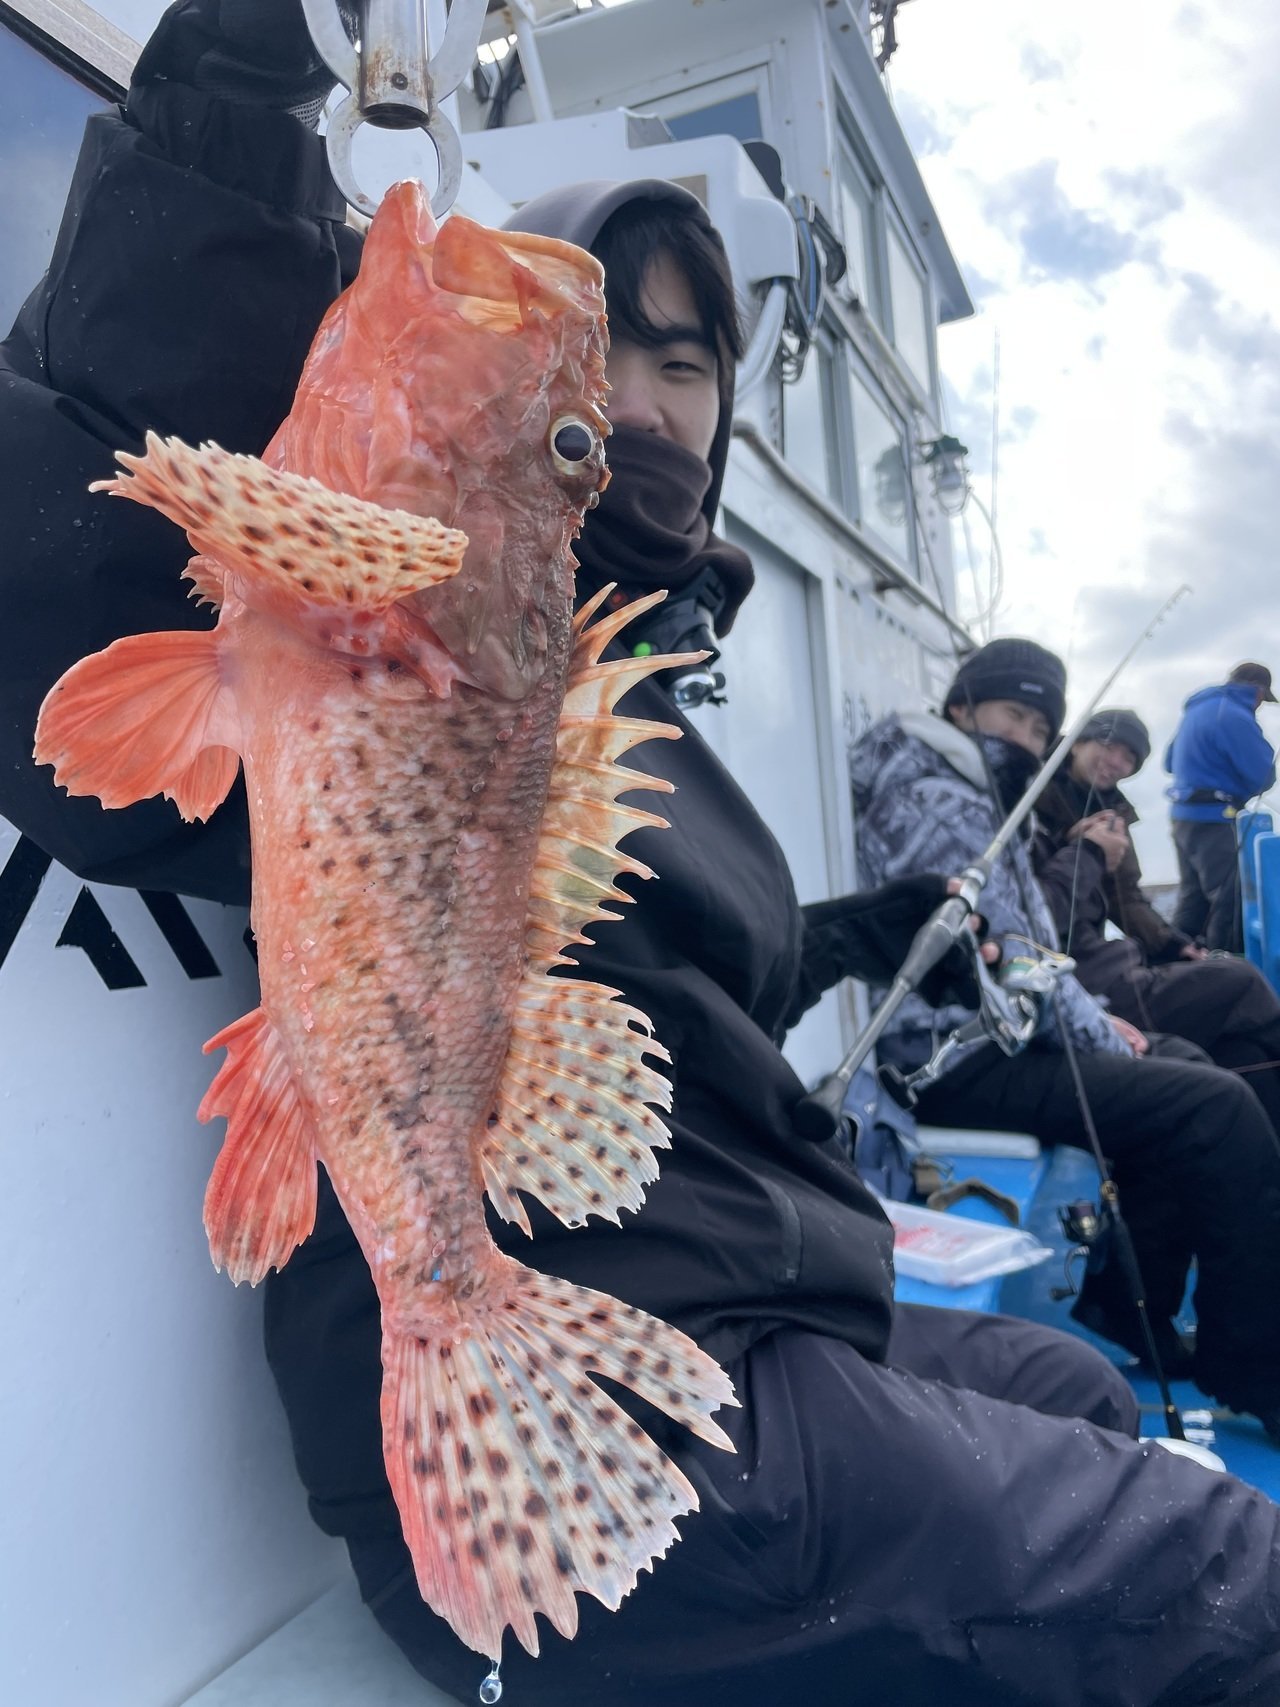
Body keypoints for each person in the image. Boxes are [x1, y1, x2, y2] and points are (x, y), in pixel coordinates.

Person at [7, 7, 1280, 1703]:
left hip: (743, 1295)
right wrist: (236, 95)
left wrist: (862, 928)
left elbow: (672, 983)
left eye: (693, 368)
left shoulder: (634, 679)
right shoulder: (374, 615)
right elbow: (94, 556)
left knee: (1086, 1391)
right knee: (1234, 1571)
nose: (654, 402)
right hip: (592, 1404)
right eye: (604, 380)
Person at [850, 637, 1280, 1415]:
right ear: (961, 707)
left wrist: (1103, 1018)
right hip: (951, 1056)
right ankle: (1254, 1368)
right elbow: (1018, 958)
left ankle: (1129, 1300)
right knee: (1216, 1108)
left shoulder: (970, 789)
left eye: (1040, 728)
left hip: (990, 1038)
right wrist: (1106, 1033)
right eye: (1012, 716)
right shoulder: (942, 801)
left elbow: (1029, 950)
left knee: (1189, 1068)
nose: (1025, 739)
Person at [1037, 707, 1280, 1132]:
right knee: (1242, 981)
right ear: (1077, 742)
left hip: (1110, 969)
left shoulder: (1112, 813)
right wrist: (1082, 849)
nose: (1117, 762)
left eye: (1129, 759)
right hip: (1076, 983)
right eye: (1110, 747)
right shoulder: (1029, 797)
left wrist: (1175, 945)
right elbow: (1034, 905)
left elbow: (1127, 900)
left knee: (1241, 1047)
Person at [1165, 662, 1278, 952]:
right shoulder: (1234, 715)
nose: (1259, 706)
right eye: (1262, 699)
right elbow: (1263, 774)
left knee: (1193, 901)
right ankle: (1227, 967)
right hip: (1213, 819)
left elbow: (1169, 761)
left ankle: (1174, 960)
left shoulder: (1197, 709)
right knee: (1231, 898)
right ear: (1258, 691)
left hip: (1182, 819)